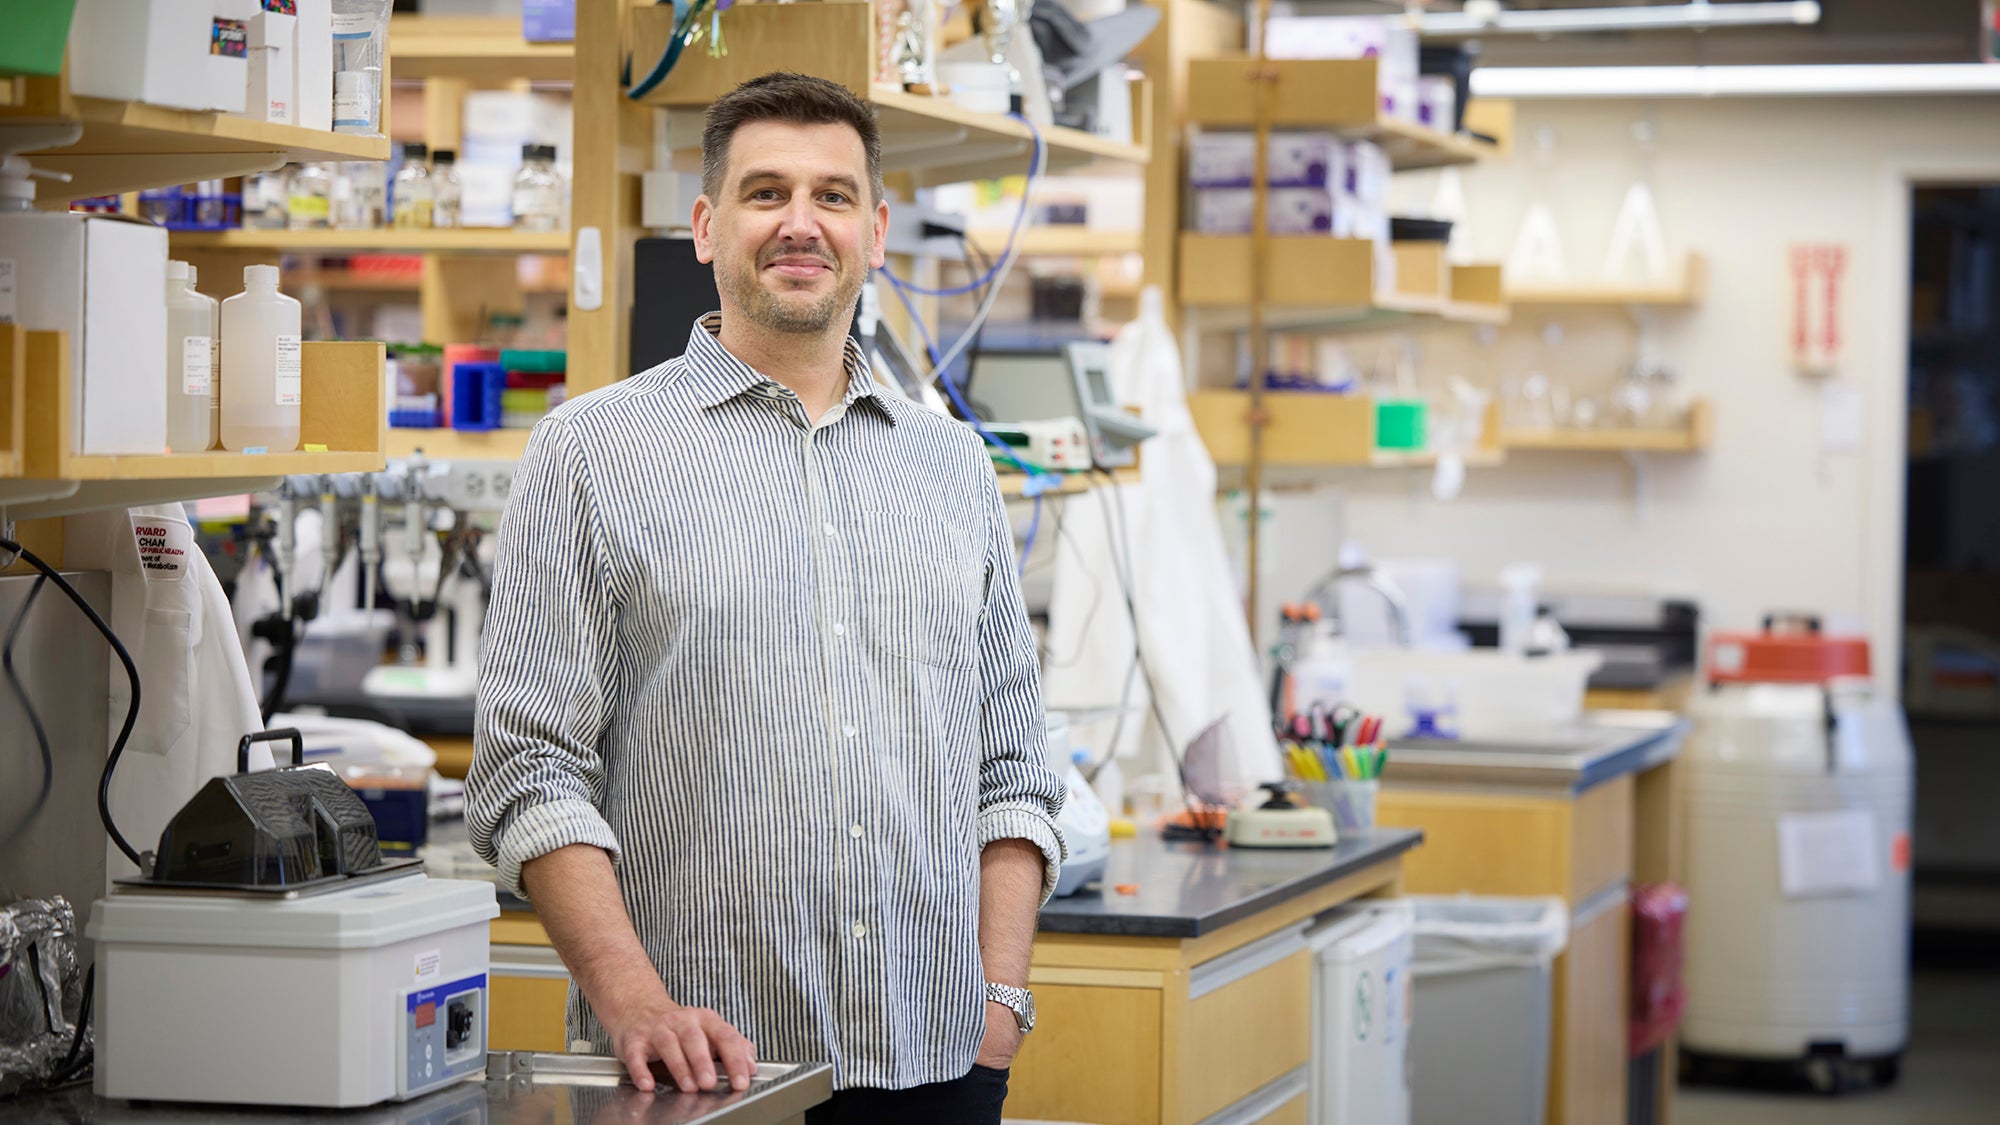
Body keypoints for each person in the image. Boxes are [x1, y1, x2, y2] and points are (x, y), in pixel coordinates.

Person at [466, 71, 1066, 1125]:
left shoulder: (952, 466)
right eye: (764, 193)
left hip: (936, 1062)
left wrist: (998, 1002)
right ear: (705, 226)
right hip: (695, 1072)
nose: (801, 223)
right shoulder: (592, 453)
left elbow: (1012, 768)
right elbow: (530, 773)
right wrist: (636, 1004)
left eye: (832, 196)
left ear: (874, 231)